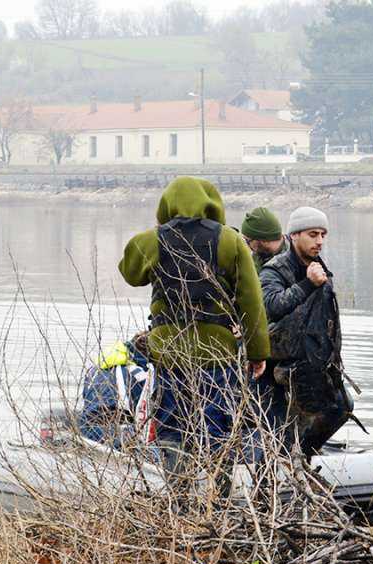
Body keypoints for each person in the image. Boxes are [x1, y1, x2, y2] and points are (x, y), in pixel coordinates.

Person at [119, 176, 270, 501]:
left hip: (171, 357)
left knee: (173, 429)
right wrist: (257, 353)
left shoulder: (153, 240)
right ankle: (220, 498)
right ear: (212, 204)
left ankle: (181, 497)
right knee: (220, 431)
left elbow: (130, 273)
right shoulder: (231, 242)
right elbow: (252, 302)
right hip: (218, 358)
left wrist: (157, 230)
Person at [257, 206, 346, 453]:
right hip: (278, 366)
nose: (319, 241)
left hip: (316, 362)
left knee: (341, 408)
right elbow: (271, 306)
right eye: (313, 234)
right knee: (278, 429)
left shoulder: (321, 269)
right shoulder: (275, 269)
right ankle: (278, 471)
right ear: (294, 235)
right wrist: (307, 284)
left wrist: (335, 360)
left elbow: (330, 322)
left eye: (323, 235)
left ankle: (302, 458)